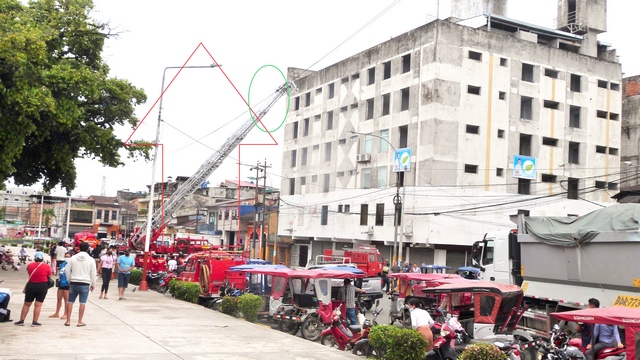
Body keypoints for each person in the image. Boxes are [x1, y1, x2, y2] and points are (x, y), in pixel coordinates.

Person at [14, 251, 51, 326]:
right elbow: (49, 275)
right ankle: (35, 322)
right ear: (42, 259)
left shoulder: (30, 265)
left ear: (35, 259)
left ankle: (21, 321)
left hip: (31, 285)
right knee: (38, 305)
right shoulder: (47, 266)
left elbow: (29, 272)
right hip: (42, 286)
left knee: (26, 304)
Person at [64, 242, 96, 327]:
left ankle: (68, 321)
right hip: (85, 283)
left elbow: (67, 270)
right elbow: (93, 273)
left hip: (73, 282)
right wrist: (93, 284)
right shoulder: (91, 260)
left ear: (79, 248)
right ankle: (79, 321)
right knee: (82, 302)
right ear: (87, 249)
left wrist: (69, 280)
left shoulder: (73, 258)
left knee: (70, 301)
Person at [49, 251, 71, 320]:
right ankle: (57, 312)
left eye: (68, 256)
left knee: (66, 299)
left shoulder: (72, 264)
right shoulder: (63, 264)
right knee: (59, 299)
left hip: (67, 283)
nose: (67, 258)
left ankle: (66, 313)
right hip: (61, 282)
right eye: (66, 256)